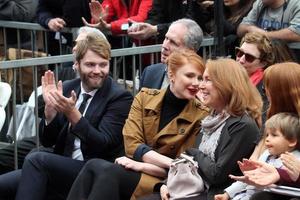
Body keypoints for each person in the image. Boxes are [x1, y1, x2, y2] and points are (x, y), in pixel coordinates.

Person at [0, 32, 133, 200]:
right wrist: (50, 113)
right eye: (90, 64)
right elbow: (48, 140)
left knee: (36, 159)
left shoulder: (119, 97)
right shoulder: (70, 87)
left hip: (93, 169)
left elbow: (102, 144)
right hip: (62, 164)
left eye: (103, 64)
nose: (97, 71)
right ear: (76, 65)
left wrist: (72, 113)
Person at [66, 50, 209, 200]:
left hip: (167, 178)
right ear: (171, 75)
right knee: (93, 165)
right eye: (189, 76)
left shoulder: (202, 114)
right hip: (139, 167)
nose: (196, 83)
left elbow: (184, 167)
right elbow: (131, 144)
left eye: (200, 78)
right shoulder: (144, 97)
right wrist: (168, 162)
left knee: (108, 172)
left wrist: (141, 165)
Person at [0, 26, 107, 175]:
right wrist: (52, 107)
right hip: (53, 137)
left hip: (76, 150)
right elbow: (39, 105)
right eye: (76, 44)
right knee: (7, 156)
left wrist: (69, 111)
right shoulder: (65, 72)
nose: (76, 48)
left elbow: (101, 141)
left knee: (34, 158)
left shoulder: (100, 80)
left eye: (82, 44)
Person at [155, 58, 262, 200]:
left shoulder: (242, 125)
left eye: (208, 80)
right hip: (192, 187)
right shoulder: (211, 119)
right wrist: (166, 184)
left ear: (227, 85)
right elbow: (189, 163)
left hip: (214, 194)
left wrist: (192, 152)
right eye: (202, 79)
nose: (201, 86)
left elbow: (216, 175)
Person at [226, 62, 300, 200]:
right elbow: (258, 155)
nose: (265, 91)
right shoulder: (273, 118)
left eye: (268, 87)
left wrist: (282, 174)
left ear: (282, 92)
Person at [215, 112, 300, 200]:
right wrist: (227, 194)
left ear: (292, 141)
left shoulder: (295, 161)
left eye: (274, 135)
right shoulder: (266, 154)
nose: (267, 139)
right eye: (267, 135)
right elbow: (249, 178)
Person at [139, 18, 203, 89]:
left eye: (173, 42)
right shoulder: (149, 73)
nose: (164, 46)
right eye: (166, 38)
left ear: (190, 50)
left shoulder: (202, 82)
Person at [235, 32, 274, 123]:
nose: (241, 60)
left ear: (263, 63)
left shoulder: (265, 88)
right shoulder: (229, 77)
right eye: (239, 53)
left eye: (249, 57)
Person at [127, 0, 208, 41]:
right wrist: (144, 26)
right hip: (171, 48)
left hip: (195, 49)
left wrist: (156, 29)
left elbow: (191, 23)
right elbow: (155, 17)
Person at [82, 0, 153, 35]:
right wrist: (98, 21)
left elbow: (141, 19)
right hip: (135, 46)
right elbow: (102, 17)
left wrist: (111, 26)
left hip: (153, 47)